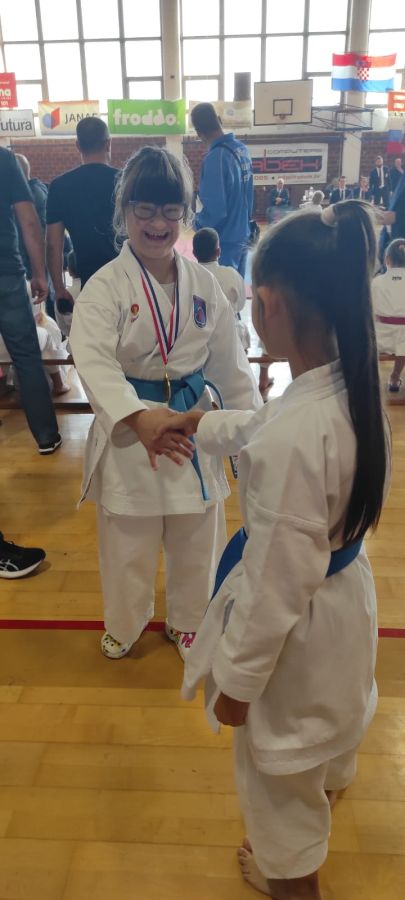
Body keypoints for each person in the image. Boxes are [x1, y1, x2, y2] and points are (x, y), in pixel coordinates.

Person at [155, 200, 388, 899]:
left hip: (297, 631)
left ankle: (293, 877)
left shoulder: (297, 432)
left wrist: (237, 684)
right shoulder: (347, 390)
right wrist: (203, 424)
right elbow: (263, 427)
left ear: (269, 303)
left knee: (277, 774)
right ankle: (320, 804)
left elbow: (274, 586)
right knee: (328, 730)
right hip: (343, 606)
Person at [69, 146, 261, 662]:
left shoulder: (204, 285)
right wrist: (138, 417)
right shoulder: (104, 287)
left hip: (193, 425)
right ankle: (124, 622)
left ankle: (190, 620)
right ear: (124, 210)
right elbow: (92, 360)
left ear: (186, 213)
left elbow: (231, 366)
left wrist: (254, 433)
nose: (158, 224)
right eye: (145, 210)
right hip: (133, 430)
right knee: (127, 541)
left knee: (197, 534)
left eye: (171, 211)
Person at [0, 147, 61, 454]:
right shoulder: (4, 160)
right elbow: (28, 220)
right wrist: (39, 273)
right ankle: (47, 437)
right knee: (26, 357)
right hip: (7, 274)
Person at [46, 116, 119, 321]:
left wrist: (59, 288)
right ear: (108, 144)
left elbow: (53, 245)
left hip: (90, 282)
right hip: (128, 276)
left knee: (96, 334)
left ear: (77, 146)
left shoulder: (59, 187)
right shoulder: (125, 181)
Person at [191, 102, 253, 278]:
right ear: (219, 119)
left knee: (221, 292)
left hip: (223, 241)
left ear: (199, 133)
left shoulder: (215, 158)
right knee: (236, 289)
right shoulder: (242, 150)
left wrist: (195, 223)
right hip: (243, 234)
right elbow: (249, 197)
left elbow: (216, 211)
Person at [0, 281, 69, 396]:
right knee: (49, 340)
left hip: (19, 383)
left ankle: (1, 387)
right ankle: (59, 385)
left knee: (4, 353)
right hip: (46, 384)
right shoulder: (47, 324)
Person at [192, 227, 250, 351]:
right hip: (228, 337)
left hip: (198, 339)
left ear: (194, 253)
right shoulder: (231, 274)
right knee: (241, 329)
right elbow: (240, 305)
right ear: (218, 251)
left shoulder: (187, 276)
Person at [373, 238, 405, 392]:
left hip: (381, 340)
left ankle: (371, 377)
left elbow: (369, 310)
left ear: (387, 259)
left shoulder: (377, 282)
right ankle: (395, 376)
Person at [55, 250, 81, 338]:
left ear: (69, 271)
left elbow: (63, 328)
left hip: (75, 341)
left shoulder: (61, 296)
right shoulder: (97, 289)